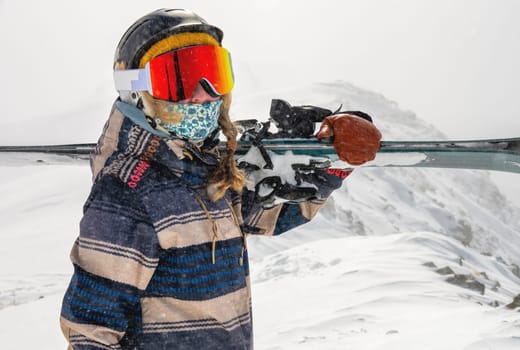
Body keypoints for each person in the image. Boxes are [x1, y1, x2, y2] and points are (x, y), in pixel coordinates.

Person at [60, 8, 382, 350]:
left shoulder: (203, 167)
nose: (203, 95)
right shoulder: (128, 190)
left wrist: (328, 162)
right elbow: (91, 331)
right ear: (137, 91)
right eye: (179, 78)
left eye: (212, 74)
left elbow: (266, 217)